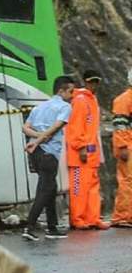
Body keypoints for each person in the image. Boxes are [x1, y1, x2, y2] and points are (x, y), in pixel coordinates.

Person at [21, 75, 74, 240]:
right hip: (49, 154)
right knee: (45, 190)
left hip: (36, 154)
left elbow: (25, 128)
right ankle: (29, 227)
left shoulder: (39, 107)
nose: (72, 95)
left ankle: (52, 227)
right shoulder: (65, 107)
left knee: (50, 187)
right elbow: (56, 127)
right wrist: (41, 138)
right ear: (61, 91)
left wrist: (36, 138)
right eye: (70, 92)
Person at [67, 69, 108, 230]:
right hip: (80, 154)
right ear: (85, 81)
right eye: (91, 81)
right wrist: (81, 147)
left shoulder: (92, 100)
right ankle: (78, 219)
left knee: (92, 188)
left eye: (96, 81)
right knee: (79, 189)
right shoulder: (80, 100)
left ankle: (93, 218)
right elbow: (76, 127)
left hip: (92, 154)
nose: (94, 84)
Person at [114, 68, 132, 227]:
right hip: (128, 146)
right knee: (127, 181)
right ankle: (123, 216)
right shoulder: (123, 99)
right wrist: (123, 146)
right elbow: (120, 125)